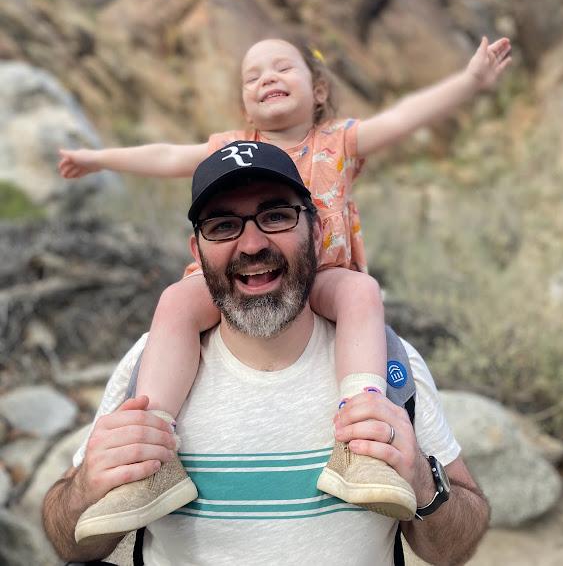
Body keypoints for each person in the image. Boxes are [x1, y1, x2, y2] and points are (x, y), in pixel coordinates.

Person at [57, 35, 510, 538]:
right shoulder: (229, 148)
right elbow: (165, 155)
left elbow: (405, 117)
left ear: (319, 90)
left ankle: (361, 437)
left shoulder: (339, 140)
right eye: (252, 76)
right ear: (245, 101)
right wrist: (98, 159)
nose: (267, 78)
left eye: (281, 68)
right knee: (176, 301)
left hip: (322, 273)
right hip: (241, 284)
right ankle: (151, 448)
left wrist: (471, 81)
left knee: (361, 293)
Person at [43, 143, 490, 565]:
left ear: (317, 233)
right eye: (223, 226)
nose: (252, 244)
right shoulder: (149, 364)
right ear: (197, 252)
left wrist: (422, 482)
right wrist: (85, 489)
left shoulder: (387, 360)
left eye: (276, 216)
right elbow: (71, 541)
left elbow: (453, 550)